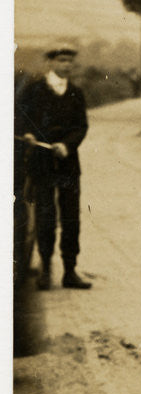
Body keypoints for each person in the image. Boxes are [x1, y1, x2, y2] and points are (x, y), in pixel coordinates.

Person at [15, 43, 92, 290]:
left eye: (70, 61)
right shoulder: (34, 90)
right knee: (45, 216)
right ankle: (46, 270)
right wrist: (26, 134)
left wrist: (67, 146)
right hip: (41, 162)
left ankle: (70, 271)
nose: (66, 65)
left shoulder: (76, 93)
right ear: (51, 63)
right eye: (61, 61)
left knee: (71, 218)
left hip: (68, 163)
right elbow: (19, 117)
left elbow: (81, 126)